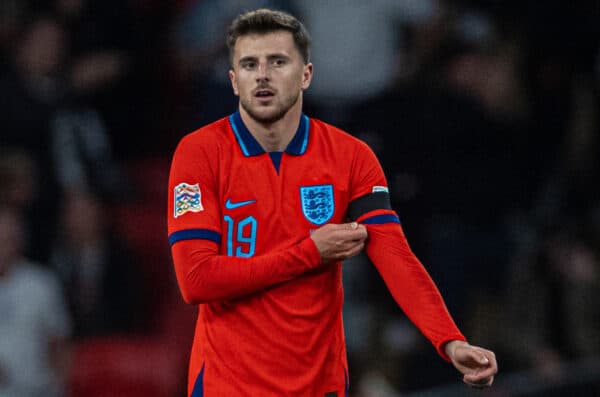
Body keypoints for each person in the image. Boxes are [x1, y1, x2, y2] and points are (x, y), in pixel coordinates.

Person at [167, 9, 497, 396]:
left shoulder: (349, 157)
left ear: (306, 74)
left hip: (319, 385)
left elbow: (395, 256)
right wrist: (309, 254)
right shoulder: (200, 153)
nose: (263, 75)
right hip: (229, 385)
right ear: (233, 81)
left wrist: (450, 340)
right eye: (249, 64)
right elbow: (196, 280)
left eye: (278, 61)